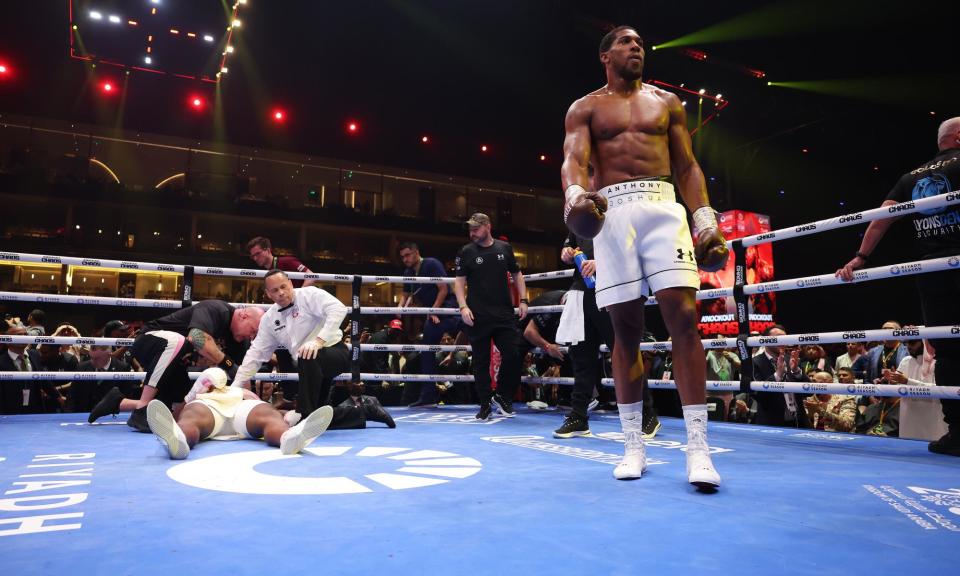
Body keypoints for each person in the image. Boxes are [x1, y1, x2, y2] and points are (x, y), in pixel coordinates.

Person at [560, 26, 727, 487]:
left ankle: (698, 449)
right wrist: (575, 196)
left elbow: (688, 166)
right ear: (605, 55)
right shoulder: (586, 107)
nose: (637, 48)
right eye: (626, 42)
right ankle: (634, 445)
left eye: (641, 43)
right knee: (625, 329)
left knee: (685, 317)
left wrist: (705, 221)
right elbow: (573, 160)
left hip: (662, 207)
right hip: (611, 211)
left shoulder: (666, 102)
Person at [836, 116, 960, 455]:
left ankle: (957, 431)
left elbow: (881, 218)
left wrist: (860, 257)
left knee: (948, 350)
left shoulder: (911, 177)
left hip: (932, 272)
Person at [231, 270, 394, 428]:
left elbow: (338, 309)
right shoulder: (269, 319)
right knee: (317, 418)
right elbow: (256, 353)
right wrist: (236, 386)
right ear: (268, 294)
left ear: (290, 284)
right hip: (310, 368)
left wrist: (318, 341)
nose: (280, 292)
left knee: (306, 355)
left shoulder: (309, 295)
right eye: (275, 290)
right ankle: (365, 411)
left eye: (283, 286)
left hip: (334, 353)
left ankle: (303, 412)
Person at [88, 300, 263, 431]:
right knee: (178, 340)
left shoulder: (238, 341)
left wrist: (249, 406)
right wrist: (228, 365)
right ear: (243, 315)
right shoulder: (218, 310)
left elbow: (240, 376)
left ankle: (118, 402)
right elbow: (196, 337)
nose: (252, 337)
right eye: (253, 330)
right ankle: (142, 408)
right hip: (150, 341)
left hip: (173, 366)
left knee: (180, 408)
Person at [145, 367, 334, 460]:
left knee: (267, 414)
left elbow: (266, 408)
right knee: (191, 417)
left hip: (241, 409)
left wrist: (284, 416)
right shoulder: (198, 397)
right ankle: (178, 439)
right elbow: (181, 413)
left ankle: (288, 437)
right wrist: (195, 392)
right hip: (210, 410)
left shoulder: (239, 391)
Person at [454, 212, 527, 420]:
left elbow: (517, 274)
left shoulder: (505, 248)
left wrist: (523, 300)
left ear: (488, 226)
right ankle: (484, 403)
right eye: (470, 229)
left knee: (513, 353)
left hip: (504, 313)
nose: (472, 233)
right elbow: (459, 282)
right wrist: (462, 307)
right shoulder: (466, 252)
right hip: (477, 315)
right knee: (480, 361)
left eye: (475, 229)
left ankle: (503, 396)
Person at [398, 241, 461, 407]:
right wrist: (399, 308)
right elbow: (405, 294)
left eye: (408, 255)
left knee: (473, 335)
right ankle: (428, 396)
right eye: (402, 256)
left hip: (449, 309)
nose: (405, 259)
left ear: (416, 252)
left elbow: (443, 289)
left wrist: (434, 310)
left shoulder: (432, 264)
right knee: (426, 350)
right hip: (433, 315)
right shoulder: (408, 272)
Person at [247, 236, 316, 288]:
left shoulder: (287, 261)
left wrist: (298, 296)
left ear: (268, 250)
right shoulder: (268, 271)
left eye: (258, 254)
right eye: (253, 256)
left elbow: (311, 276)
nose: (255, 258)